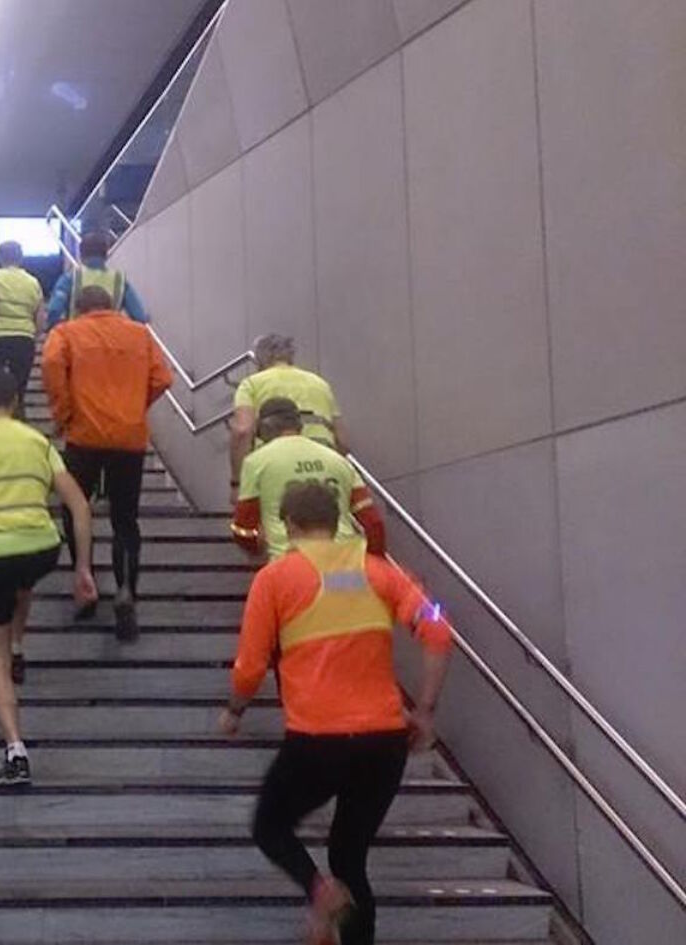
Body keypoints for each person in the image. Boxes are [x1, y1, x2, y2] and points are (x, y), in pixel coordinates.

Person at [220, 482, 452, 945]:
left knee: (269, 825)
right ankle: (342, 916)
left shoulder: (275, 579)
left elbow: (249, 666)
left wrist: (235, 712)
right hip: (383, 742)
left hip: (316, 742)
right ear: (339, 522)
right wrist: (424, 711)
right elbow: (439, 632)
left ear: (288, 526)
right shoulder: (380, 572)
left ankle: (319, 891)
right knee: (350, 857)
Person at [0, 368, 98, 786]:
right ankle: (19, 640)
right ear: (15, 401)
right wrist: (82, 567)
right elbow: (80, 506)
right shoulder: (38, 440)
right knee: (22, 579)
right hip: (41, 547)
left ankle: (15, 750)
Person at [42, 285, 172, 640]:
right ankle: (126, 589)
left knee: (74, 507)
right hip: (129, 439)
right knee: (125, 519)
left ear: (79, 309)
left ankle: (84, 578)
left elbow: (51, 364)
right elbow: (163, 378)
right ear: (113, 306)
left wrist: (63, 412)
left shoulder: (66, 332)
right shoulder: (140, 334)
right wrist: (135, 408)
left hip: (83, 437)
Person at [231, 397, 384, 561]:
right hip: (345, 563)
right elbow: (372, 522)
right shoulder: (337, 459)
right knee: (344, 587)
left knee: (283, 586)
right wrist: (376, 559)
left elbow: (244, 529)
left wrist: (256, 549)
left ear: (263, 428)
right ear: (300, 425)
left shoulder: (256, 462)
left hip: (290, 563)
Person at [229, 333, 349, 497]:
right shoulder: (320, 384)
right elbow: (342, 441)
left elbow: (243, 431)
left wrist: (237, 483)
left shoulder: (251, 384)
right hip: (324, 470)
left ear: (259, 359)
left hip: (274, 467)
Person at [0, 240, 47, 402]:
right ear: (20, 257)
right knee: (19, 384)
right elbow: (41, 313)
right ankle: (17, 414)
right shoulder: (33, 281)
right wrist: (36, 335)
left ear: (0, 257)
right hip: (24, 337)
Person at [45, 231, 148, 327]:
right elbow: (139, 316)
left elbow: (54, 310)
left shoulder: (70, 278)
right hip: (111, 339)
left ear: (81, 254)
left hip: (78, 337)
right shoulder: (119, 280)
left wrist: (53, 325)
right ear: (106, 254)